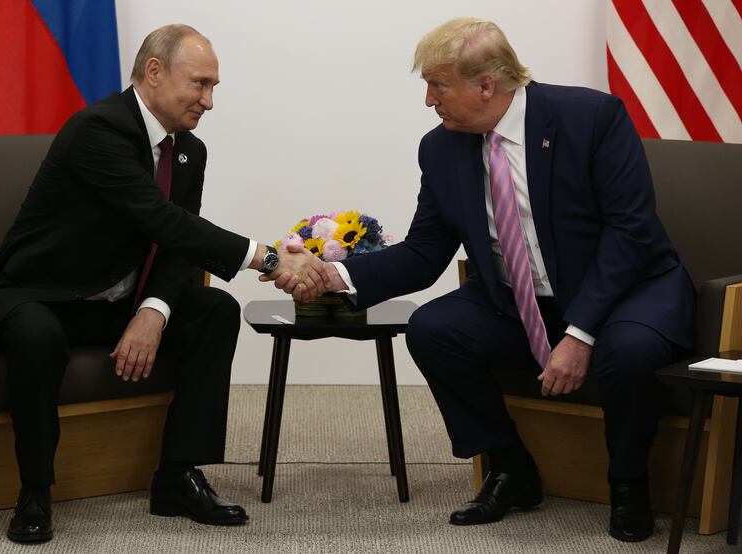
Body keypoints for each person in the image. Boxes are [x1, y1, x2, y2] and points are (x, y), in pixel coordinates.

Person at [273, 18, 695, 543]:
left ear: (486, 85)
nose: (429, 100)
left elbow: (629, 234)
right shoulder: (442, 148)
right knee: (433, 329)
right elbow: (425, 253)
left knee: (627, 351)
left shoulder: (590, 117)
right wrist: (331, 275)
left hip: (627, 291)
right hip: (523, 302)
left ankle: (629, 481)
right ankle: (510, 466)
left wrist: (581, 332)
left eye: (438, 85)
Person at [0, 24, 324, 544]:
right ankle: (34, 492)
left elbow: (177, 246)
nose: (209, 101)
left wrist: (154, 310)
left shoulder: (188, 152)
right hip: (38, 293)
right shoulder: (97, 129)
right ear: (155, 72)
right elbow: (161, 220)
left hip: (117, 298)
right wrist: (268, 258)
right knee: (35, 336)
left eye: (214, 88)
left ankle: (177, 476)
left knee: (214, 310)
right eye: (200, 84)